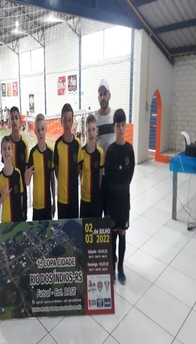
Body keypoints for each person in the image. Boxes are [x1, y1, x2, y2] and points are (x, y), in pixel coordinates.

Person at [105, 108, 135, 285]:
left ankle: (121, 268)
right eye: (118, 125)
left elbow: (130, 175)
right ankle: (112, 266)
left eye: (123, 125)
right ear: (114, 127)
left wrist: (123, 188)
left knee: (122, 233)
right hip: (112, 201)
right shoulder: (110, 151)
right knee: (113, 234)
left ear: (125, 126)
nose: (121, 128)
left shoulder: (130, 151)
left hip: (124, 200)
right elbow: (108, 177)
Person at [54, 103, 83, 219]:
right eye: (64, 120)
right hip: (61, 197)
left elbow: (78, 170)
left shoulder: (77, 144)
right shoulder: (57, 144)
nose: (67, 123)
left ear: (72, 122)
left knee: (74, 230)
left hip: (74, 197)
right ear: (61, 121)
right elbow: (56, 171)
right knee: (62, 232)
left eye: (69, 120)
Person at [25, 113, 55, 220]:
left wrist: (54, 202)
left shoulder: (51, 152)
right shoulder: (32, 153)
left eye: (43, 129)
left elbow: (52, 178)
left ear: (46, 130)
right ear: (35, 132)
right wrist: (27, 176)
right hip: (37, 204)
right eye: (38, 130)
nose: (41, 132)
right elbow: (27, 182)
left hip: (48, 202)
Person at [94, 78, 115, 216]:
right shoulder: (94, 118)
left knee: (110, 212)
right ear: (98, 97)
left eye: (105, 93)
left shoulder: (115, 116)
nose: (103, 97)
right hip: (98, 174)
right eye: (100, 94)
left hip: (112, 174)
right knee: (97, 212)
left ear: (109, 95)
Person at [80, 114, 104, 218]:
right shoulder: (81, 152)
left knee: (95, 230)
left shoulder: (100, 153)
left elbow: (99, 177)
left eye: (93, 129)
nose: (91, 132)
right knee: (84, 230)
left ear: (97, 131)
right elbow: (80, 175)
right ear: (86, 133)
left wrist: (97, 194)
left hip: (96, 199)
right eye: (89, 130)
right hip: (84, 199)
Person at [0, 136, 23, 222]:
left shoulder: (18, 174)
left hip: (17, 220)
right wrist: (4, 195)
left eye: (9, 148)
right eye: (4, 148)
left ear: (12, 152)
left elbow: (21, 196)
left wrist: (22, 215)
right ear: (1, 152)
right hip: (5, 221)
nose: (7, 151)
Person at [9, 106, 29, 220]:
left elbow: (26, 169)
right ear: (9, 121)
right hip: (10, 189)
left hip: (22, 190)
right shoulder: (6, 143)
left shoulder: (24, 144)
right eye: (12, 118)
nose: (14, 120)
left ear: (20, 121)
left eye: (16, 118)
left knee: (22, 220)